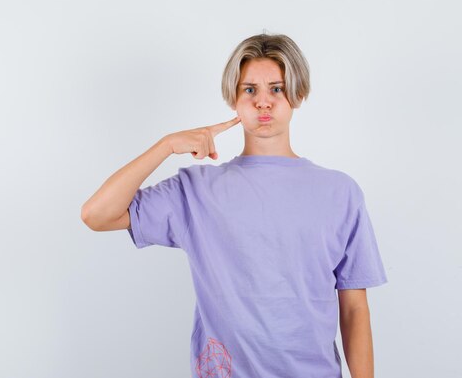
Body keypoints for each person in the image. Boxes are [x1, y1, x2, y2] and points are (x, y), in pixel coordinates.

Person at [81, 32, 388, 378]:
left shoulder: (340, 193)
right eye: (249, 90)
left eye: (276, 88)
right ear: (234, 98)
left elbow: (354, 308)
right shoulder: (196, 191)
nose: (263, 102)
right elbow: (97, 214)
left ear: (298, 94)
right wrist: (166, 145)